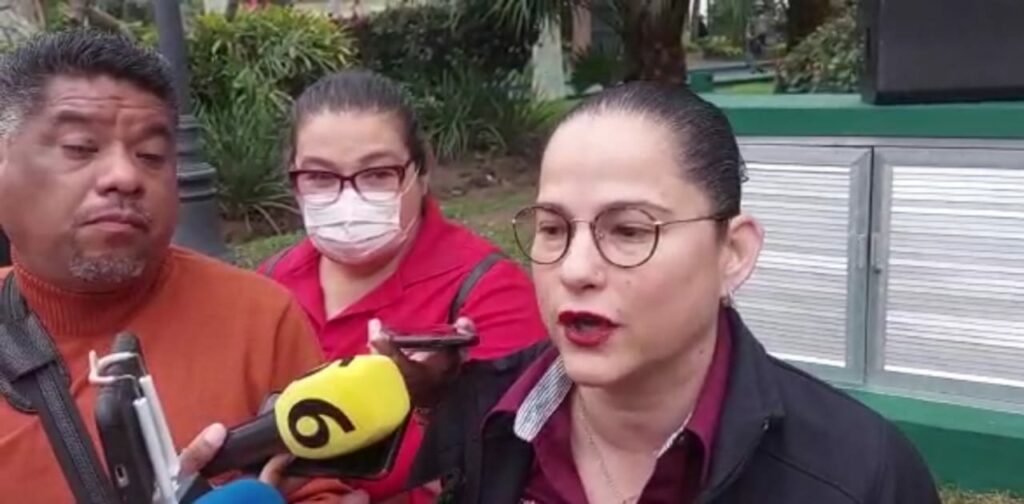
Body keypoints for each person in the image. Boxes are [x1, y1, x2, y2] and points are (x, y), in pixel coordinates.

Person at [403, 82, 943, 503]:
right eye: (552, 228)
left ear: (732, 253)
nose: (575, 268)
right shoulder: (485, 420)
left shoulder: (859, 474)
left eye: (629, 230)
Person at [0, 29, 350, 503]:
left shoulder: (258, 318)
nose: (125, 176)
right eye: (80, 147)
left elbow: (323, 491)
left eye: (150, 155)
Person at [256, 70, 548, 502]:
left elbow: (512, 468)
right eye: (319, 176)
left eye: (377, 174)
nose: (348, 197)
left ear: (421, 173)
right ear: (293, 182)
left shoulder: (491, 293)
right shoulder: (267, 288)